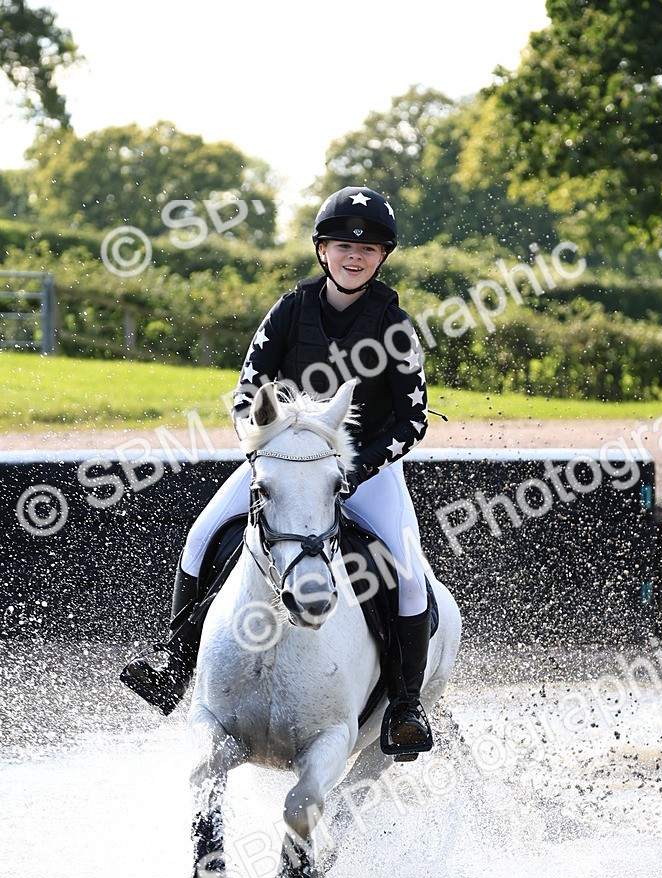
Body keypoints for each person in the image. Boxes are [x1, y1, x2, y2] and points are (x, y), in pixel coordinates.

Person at [121, 185, 434, 754]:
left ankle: (405, 706)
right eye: (342, 245)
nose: (354, 256)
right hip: (283, 460)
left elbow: (412, 421)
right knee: (199, 538)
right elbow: (246, 394)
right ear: (323, 251)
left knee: (408, 576)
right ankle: (174, 657)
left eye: (367, 248)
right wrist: (261, 442)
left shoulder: (398, 329)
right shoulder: (289, 310)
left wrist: (352, 469)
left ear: (383, 256)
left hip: (362, 469)